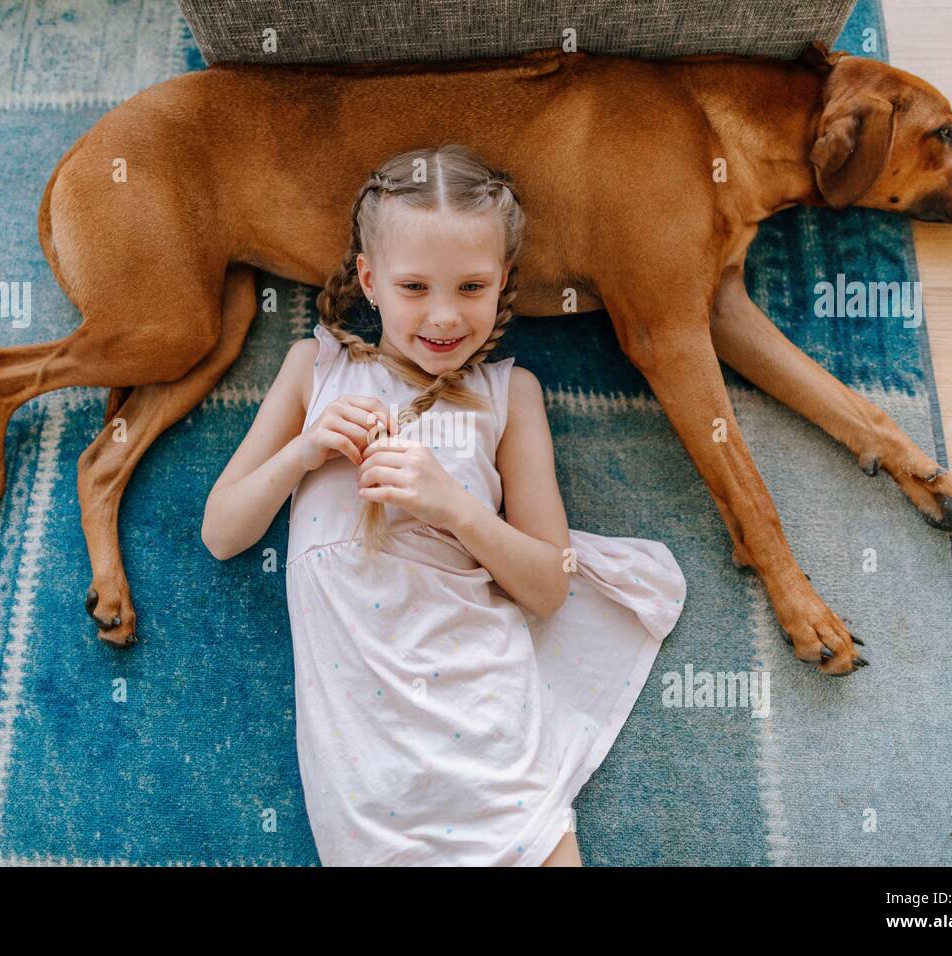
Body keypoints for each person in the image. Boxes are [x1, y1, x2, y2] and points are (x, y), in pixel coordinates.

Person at [201, 143, 686, 866]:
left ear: (504, 283)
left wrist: (454, 507)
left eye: (470, 287)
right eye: (414, 287)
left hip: (485, 714)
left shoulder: (507, 395)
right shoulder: (316, 371)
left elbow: (549, 584)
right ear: (369, 281)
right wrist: (303, 453)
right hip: (366, 759)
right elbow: (221, 533)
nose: (444, 316)